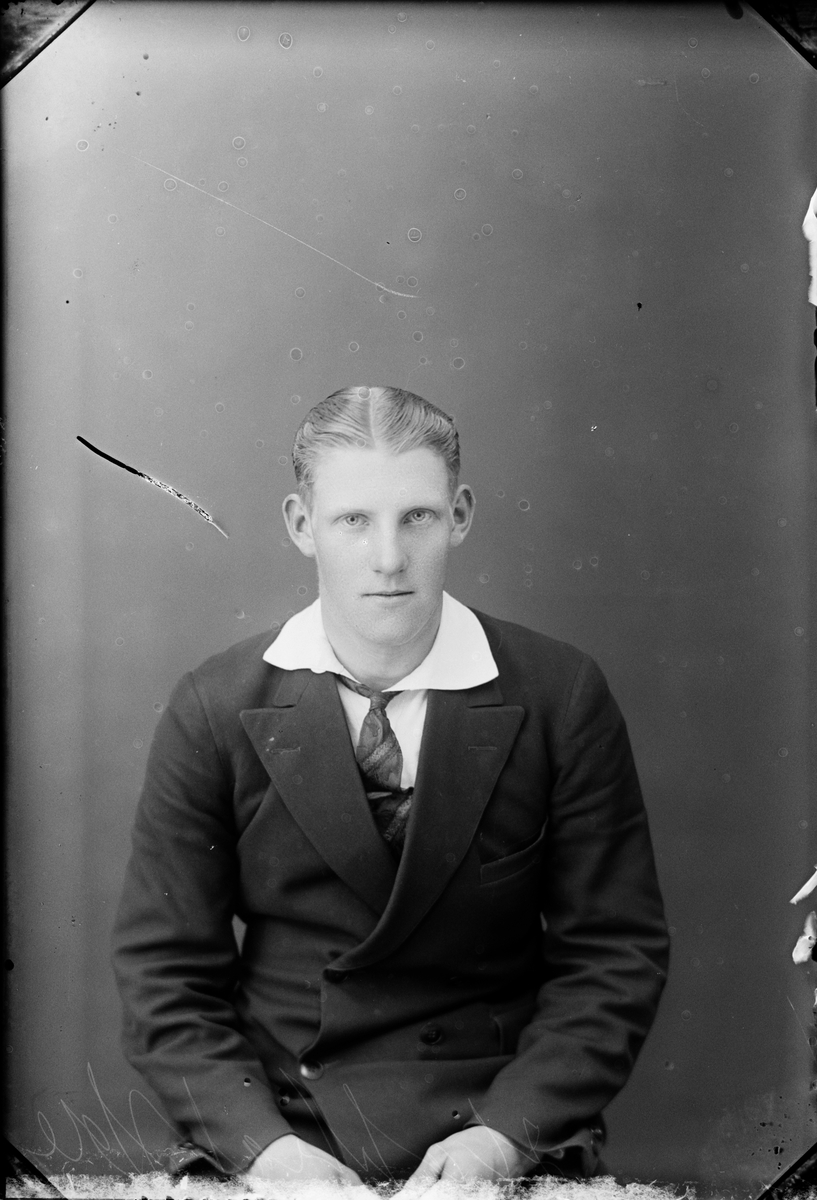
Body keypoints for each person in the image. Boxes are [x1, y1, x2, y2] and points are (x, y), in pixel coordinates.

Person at [112, 385, 669, 1190]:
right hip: (284, 1124)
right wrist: (264, 1152)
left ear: (460, 515)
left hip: (497, 1122)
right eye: (352, 520)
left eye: (417, 517)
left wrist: (501, 1142)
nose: (387, 557)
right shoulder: (215, 706)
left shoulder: (560, 696)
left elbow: (613, 958)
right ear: (301, 525)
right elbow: (164, 975)